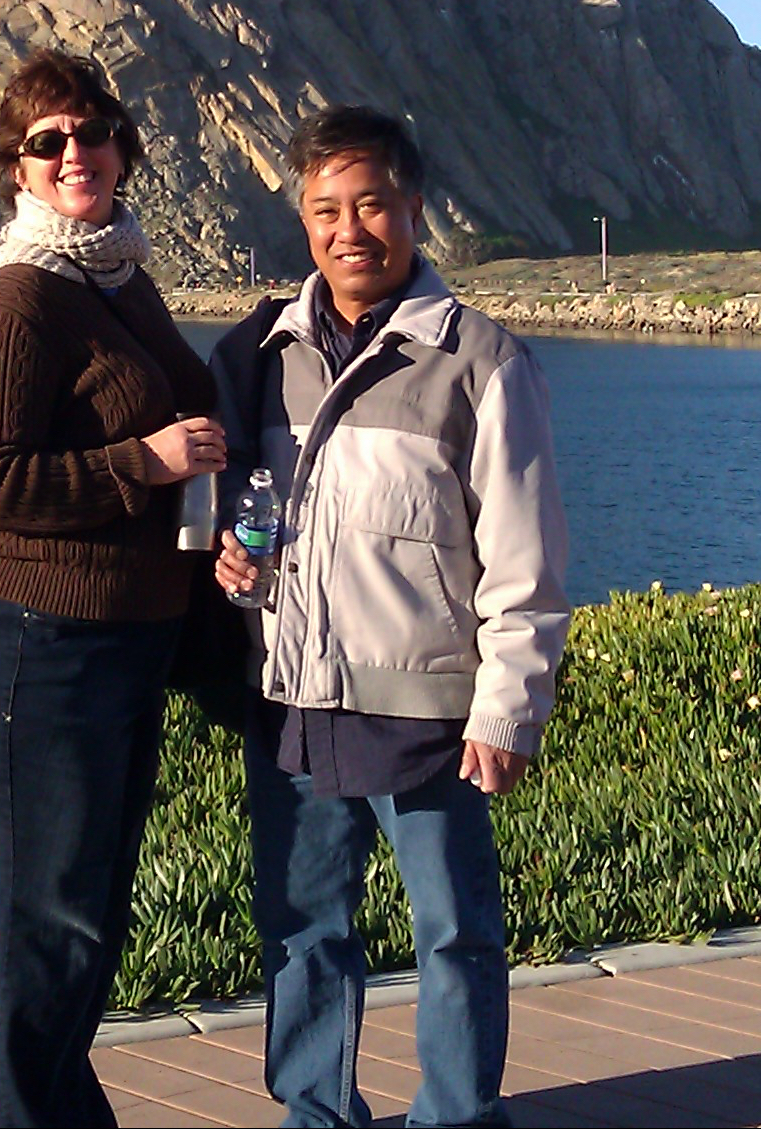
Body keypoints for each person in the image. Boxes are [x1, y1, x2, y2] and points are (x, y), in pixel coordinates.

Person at [212, 105, 570, 1128]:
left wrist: (507, 711)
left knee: (453, 929)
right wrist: (234, 564)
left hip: (425, 715)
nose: (348, 229)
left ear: (414, 208)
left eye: (370, 203)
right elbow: (250, 518)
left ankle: (457, 1117)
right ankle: (314, 1114)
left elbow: (525, 558)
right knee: (301, 929)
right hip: (292, 701)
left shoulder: (480, 361)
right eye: (325, 209)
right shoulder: (260, 354)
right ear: (302, 218)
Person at [0, 48, 225, 1128]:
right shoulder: (20, 292)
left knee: (79, 918)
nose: (74, 152)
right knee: (46, 919)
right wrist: (148, 459)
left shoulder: (117, 274)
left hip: (117, 640)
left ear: (124, 147)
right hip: (35, 641)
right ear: (18, 170)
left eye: (91, 131)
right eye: (48, 140)